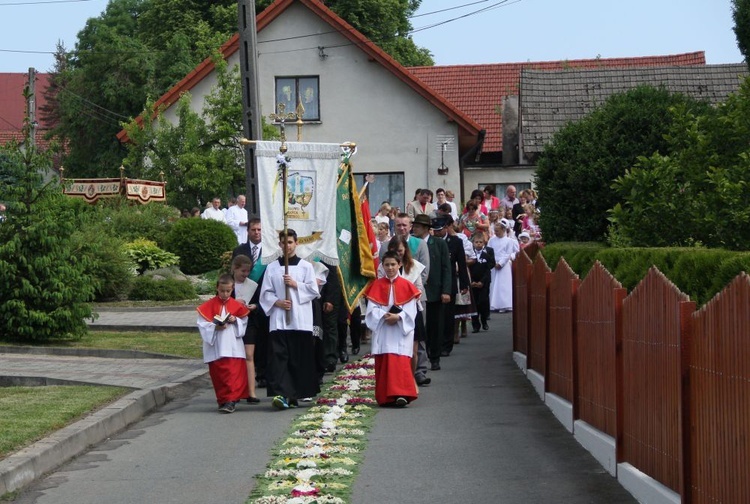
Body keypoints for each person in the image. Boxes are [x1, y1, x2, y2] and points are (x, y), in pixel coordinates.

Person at [259, 229, 320, 409]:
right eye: (284, 243)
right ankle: (281, 394)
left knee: (298, 358)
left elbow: (313, 291)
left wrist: (295, 285)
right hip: (279, 320)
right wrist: (277, 302)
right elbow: (265, 293)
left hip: (300, 320)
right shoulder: (272, 267)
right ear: (280, 245)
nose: (287, 246)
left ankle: (295, 394)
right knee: (279, 358)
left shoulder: (305, 267)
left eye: (291, 242)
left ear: (296, 243)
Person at [365, 250, 421, 407]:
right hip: (383, 329)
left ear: (400, 265)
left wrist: (399, 317)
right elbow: (371, 310)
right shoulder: (376, 285)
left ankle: (402, 395)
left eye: (393, 264)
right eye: (387, 265)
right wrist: (383, 316)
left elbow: (412, 310)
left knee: (400, 362)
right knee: (385, 361)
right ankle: (385, 397)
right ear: (382, 266)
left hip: (399, 331)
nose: (390, 268)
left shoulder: (407, 286)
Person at [196, 274, 251, 413]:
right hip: (216, 345)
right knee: (219, 374)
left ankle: (231, 401)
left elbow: (244, 322)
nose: (225, 294)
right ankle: (222, 400)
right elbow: (202, 324)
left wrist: (235, 320)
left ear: (233, 289)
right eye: (222, 291)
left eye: (228, 291)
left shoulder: (237, 305)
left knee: (232, 374)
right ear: (217, 288)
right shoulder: (208, 306)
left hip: (232, 344)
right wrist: (215, 327)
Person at [378, 236, 428, 385]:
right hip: (390, 311)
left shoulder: (413, 266)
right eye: (394, 251)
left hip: (411, 311)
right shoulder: (383, 267)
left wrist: (406, 300)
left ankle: (411, 381)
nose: (398, 254)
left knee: (412, 350)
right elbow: (380, 287)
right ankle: (397, 381)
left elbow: (418, 289)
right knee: (396, 350)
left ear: (405, 250)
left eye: (400, 251)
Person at [412, 213, 451, 371]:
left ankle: (435, 357)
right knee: (421, 327)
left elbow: (446, 268)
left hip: (435, 291)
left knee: (435, 326)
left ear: (427, 229)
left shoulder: (439, 243)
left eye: (418, 226)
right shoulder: (412, 243)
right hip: (417, 292)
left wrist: (446, 290)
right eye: (414, 226)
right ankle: (422, 357)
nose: (415, 229)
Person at [233, 218, 269, 388]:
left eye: (259, 230)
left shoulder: (270, 251)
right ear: (248, 231)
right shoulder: (239, 250)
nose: (256, 232)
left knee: (263, 339)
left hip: (264, 300)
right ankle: (245, 376)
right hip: (244, 301)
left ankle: (262, 373)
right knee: (245, 342)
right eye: (253, 230)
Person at [430, 215, 470, 358]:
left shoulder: (455, 242)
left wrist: (464, 284)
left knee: (448, 316)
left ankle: (446, 345)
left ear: (446, 228)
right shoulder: (430, 242)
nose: (436, 232)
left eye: (439, 230)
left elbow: (462, 263)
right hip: (433, 283)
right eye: (434, 230)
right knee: (435, 316)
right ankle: (435, 344)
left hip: (450, 282)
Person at [230, 254, 261, 404]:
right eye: (243, 271)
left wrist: (254, 306)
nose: (245, 274)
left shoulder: (252, 285)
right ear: (235, 269)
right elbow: (219, 301)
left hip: (249, 322)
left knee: (249, 355)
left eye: (248, 271)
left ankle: (251, 392)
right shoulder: (228, 284)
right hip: (231, 324)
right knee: (234, 357)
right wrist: (234, 302)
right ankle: (235, 392)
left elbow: (260, 302)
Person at [488, 222, 518, 312]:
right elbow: (489, 251)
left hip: (504, 265)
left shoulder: (509, 241)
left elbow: (508, 253)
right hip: (493, 263)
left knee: (503, 285)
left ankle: (505, 305)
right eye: (495, 231)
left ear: (503, 230)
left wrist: (501, 263)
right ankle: (493, 304)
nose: (496, 233)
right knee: (493, 284)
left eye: (498, 231)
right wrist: (493, 262)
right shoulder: (491, 240)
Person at [469, 232, 496, 332]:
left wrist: (482, 282)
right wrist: (471, 281)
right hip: (473, 281)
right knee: (474, 303)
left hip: (484, 281)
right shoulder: (470, 253)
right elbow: (468, 267)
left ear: (484, 242)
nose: (478, 244)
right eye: (476, 242)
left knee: (483, 301)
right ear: (473, 243)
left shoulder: (489, 251)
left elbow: (491, 265)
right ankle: (475, 324)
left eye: (480, 242)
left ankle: (484, 320)